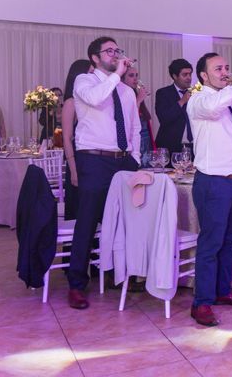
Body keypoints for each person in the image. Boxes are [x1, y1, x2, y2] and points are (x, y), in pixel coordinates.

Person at [67, 37, 140, 310]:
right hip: (94, 159)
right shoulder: (84, 82)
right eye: (109, 51)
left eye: (117, 51)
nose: (115, 55)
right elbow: (97, 100)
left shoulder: (126, 92)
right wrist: (118, 75)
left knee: (127, 220)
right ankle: (76, 284)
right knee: (87, 221)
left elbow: (133, 128)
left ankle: (122, 274)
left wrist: (133, 156)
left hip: (123, 160)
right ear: (95, 58)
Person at [187, 52, 232, 326]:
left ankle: (222, 291)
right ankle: (201, 303)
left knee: (229, 241)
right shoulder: (199, 100)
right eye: (218, 68)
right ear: (203, 76)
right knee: (211, 243)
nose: (225, 72)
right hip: (214, 182)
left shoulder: (226, 102)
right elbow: (213, 107)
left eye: (227, 67)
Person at [61, 60, 93, 220]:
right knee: (80, 207)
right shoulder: (71, 101)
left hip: (89, 157)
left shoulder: (90, 100)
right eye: (90, 73)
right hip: (77, 159)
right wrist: (73, 170)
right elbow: (66, 138)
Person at [155, 59, 194, 156]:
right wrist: (182, 101)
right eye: (185, 75)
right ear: (175, 76)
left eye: (190, 74)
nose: (189, 78)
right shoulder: (163, 93)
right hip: (171, 146)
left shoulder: (196, 93)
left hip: (193, 146)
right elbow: (164, 118)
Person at [122, 67, 155, 166]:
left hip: (145, 144)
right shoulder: (122, 95)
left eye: (136, 75)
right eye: (131, 76)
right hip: (133, 146)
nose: (135, 79)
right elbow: (128, 119)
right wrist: (139, 100)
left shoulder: (135, 93)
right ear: (122, 78)